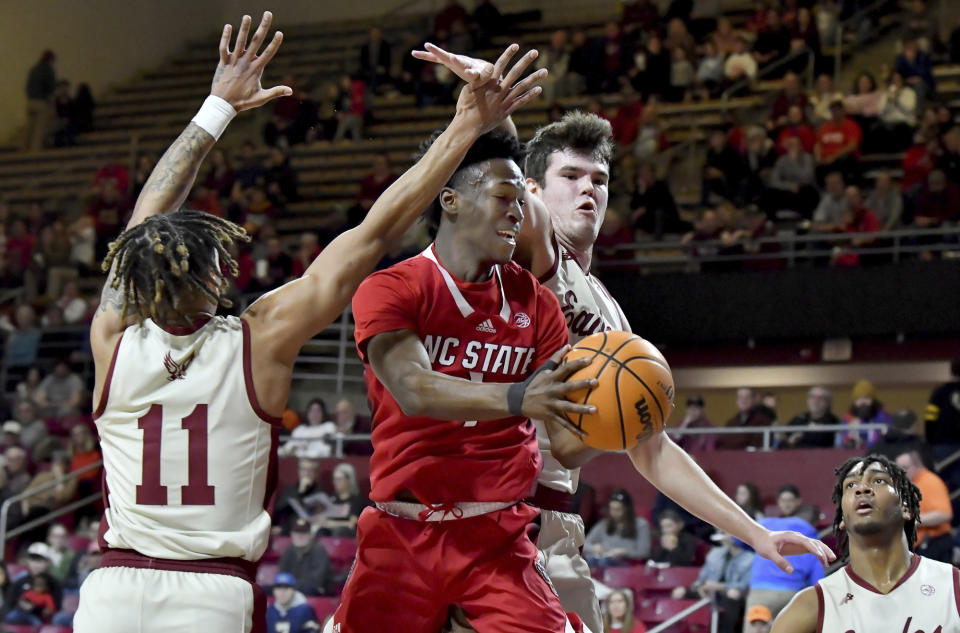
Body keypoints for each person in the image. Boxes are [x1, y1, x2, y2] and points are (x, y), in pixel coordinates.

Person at [75, 16, 543, 633]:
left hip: (110, 592)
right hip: (209, 596)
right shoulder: (257, 339)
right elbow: (374, 231)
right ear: (214, 280)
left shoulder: (111, 340)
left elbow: (144, 220)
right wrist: (464, 126)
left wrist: (216, 108)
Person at [417, 44, 834, 633]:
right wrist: (495, 110)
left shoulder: (612, 319)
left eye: (600, 179)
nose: (588, 189)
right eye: (570, 176)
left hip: (556, 527)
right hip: (482, 511)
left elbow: (654, 450)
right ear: (531, 190)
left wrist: (755, 533)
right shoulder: (534, 251)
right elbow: (512, 182)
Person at [328, 43, 593, 633]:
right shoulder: (392, 286)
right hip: (402, 528)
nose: (517, 215)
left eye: (521, 206)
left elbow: (569, 445)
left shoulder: (535, 300)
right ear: (450, 200)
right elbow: (414, 389)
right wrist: (520, 398)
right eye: (504, 200)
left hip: (497, 533)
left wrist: (616, 421)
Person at [771, 455, 958, 632]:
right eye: (851, 485)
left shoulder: (953, 585)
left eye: (879, 481)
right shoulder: (813, 604)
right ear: (842, 517)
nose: (862, 489)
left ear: (906, 508)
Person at [672, 531, 754, 633]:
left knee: (733, 594)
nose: (722, 535)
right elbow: (701, 579)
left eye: (725, 533)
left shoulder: (750, 558)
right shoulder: (715, 553)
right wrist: (701, 587)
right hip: (708, 590)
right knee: (679, 592)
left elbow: (744, 585)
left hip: (729, 594)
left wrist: (719, 587)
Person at [894, 449, 953, 563]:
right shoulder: (911, 484)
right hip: (919, 547)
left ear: (917, 465)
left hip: (934, 545)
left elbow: (944, 514)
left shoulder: (930, 481)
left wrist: (911, 520)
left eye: (905, 468)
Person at [585, 489, 652, 566]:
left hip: (626, 563)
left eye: (618, 510)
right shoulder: (604, 524)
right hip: (603, 558)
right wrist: (593, 548)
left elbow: (644, 552)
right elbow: (585, 545)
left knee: (604, 562)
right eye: (612, 509)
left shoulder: (641, 525)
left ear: (627, 509)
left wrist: (625, 552)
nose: (614, 513)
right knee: (591, 561)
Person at [277, 519, 333, 596]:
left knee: (307, 589)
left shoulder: (318, 549)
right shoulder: (288, 550)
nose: (300, 536)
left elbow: (317, 578)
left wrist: (292, 586)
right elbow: (282, 573)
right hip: (290, 589)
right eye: (297, 532)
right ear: (291, 534)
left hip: (313, 589)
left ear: (310, 534)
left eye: (303, 532)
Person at [317, 462, 366, 536]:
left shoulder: (356, 500)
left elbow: (352, 523)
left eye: (339, 480)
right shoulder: (332, 499)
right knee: (321, 531)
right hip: (329, 531)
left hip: (346, 533)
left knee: (340, 531)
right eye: (334, 479)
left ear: (349, 480)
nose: (335, 482)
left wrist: (331, 524)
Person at [925, 356, 960, 448]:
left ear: (951, 371)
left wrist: (929, 441)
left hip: (943, 444)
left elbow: (930, 418)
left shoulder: (939, 392)